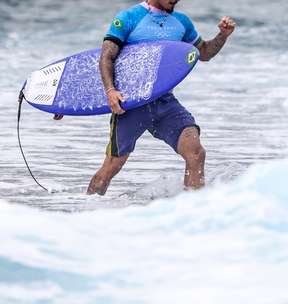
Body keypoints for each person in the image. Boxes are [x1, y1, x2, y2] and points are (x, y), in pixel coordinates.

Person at [57, 0, 236, 195]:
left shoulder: (181, 22)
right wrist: (110, 91)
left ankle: (192, 210)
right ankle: (84, 209)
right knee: (112, 166)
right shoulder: (129, 18)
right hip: (131, 103)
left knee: (196, 153)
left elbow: (203, 52)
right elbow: (106, 57)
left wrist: (223, 36)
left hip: (165, 101)